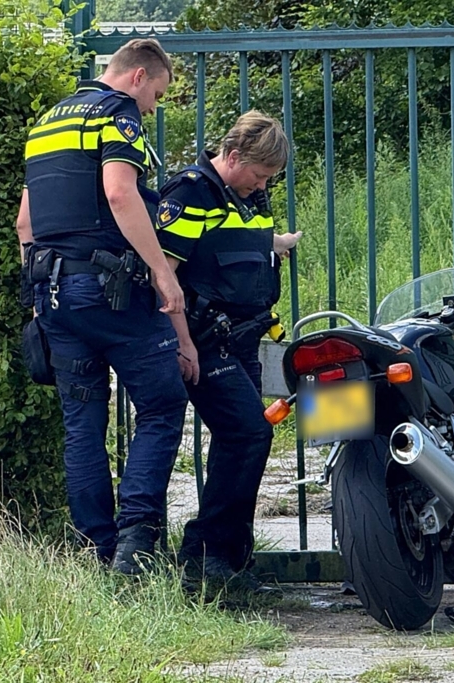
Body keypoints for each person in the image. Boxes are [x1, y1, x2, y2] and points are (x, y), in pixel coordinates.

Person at [15, 38, 189, 575]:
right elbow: (119, 193)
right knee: (162, 404)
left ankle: (97, 549)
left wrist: (37, 297)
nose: (153, 108)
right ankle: (136, 545)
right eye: (156, 95)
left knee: (82, 423)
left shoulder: (47, 123)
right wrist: (162, 272)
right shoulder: (117, 113)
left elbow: (25, 223)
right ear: (138, 76)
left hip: (54, 294)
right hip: (111, 291)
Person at [154, 110, 302, 592]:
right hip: (204, 338)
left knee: (242, 441)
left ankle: (231, 561)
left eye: (269, 178)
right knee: (248, 433)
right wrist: (182, 342)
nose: (262, 184)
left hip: (244, 336)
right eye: (259, 174)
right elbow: (165, 273)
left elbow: (231, 241)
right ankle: (205, 555)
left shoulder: (247, 195)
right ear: (234, 156)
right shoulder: (192, 192)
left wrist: (274, 243)